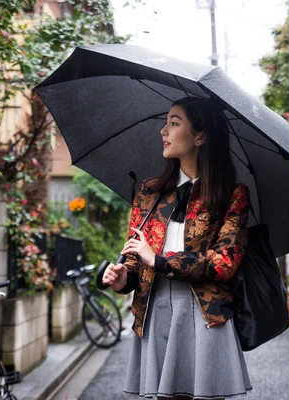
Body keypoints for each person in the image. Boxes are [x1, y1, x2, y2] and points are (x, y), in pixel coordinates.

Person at [101, 96, 252, 400]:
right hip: (155, 310)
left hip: (204, 314)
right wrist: (124, 278)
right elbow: (135, 256)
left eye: (174, 123)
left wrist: (159, 261)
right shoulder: (148, 192)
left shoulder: (231, 195)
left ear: (200, 136)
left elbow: (224, 262)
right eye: (165, 122)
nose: (163, 131)